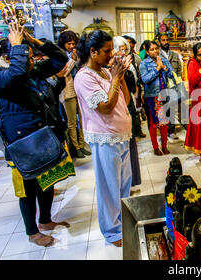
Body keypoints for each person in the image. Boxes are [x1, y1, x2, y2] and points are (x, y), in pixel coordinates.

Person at [0, 21, 74, 247]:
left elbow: (60, 60)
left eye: (30, 53)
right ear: (9, 57)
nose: (31, 59)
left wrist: (37, 42)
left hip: (42, 138)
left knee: (46, 182)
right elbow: (15, 75)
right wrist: (17, 45)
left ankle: (45, 221)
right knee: (27, 190)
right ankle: (32, 232)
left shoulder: (30, 71)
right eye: (26, 53)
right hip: (21, 144)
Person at [74, 30, 133, 247]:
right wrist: (116, 77)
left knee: (123, 185)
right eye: (107, 51)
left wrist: (121, 76)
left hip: (122, 136)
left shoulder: (106, 73)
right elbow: (106, 108)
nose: (111, 55)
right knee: (109, 187)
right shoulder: (84, 77)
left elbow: (124, 99)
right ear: (92, 51)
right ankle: (111, 231)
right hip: (105, 138)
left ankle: (123, 221)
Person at [113, 35, 142, 193]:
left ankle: (129, 184)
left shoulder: (128, 67)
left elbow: (131, 88)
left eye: (125, 50)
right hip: (117, 114)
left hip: (128, 106)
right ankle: (122, 186)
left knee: (129, 149)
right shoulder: (111, 69)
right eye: (120, 49)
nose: (123, 53)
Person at [57, 30, 90, 159]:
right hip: (68, 92)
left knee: (82, 120)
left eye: (73, 44)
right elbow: (63, 73)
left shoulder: (76, 54)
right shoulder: (60, 55)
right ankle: (75, 148)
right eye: (68, 44)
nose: (71, 46)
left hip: (79, 91)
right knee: (71, 122)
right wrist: (72, 60)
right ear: (63, 44)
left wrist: (77, 60)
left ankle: (82, 145)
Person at [139, 41, 174, 156]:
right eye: (152, 49)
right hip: (152, 96)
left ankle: (164, 146)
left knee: (164, 122)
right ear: (147, 52)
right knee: (154, 123)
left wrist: (164, 67)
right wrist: (157, 69)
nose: (155, 51)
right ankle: (155, 147)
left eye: (156, 49)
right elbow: (145, 79)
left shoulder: (163, 60)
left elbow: (171, 75)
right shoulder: (144, 64)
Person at [158, 33, 183, 140]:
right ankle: (163, 130)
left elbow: (179, 70)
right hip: (161, 86)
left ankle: (171, 131)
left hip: (173, 86)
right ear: (159, 42)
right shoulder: (157, 55)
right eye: (163, 40)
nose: (166, 42)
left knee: (172, 108)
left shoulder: (175, 55)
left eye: (167, 40)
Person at [123, 35, 146, 136]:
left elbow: (138, 72)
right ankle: (131, 132)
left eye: (130, 45)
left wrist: (139, 87)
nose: (129, 46)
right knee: (129, 111)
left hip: (136, 86)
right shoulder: (120, 58)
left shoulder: (135, 57)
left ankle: (138, 129)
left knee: (137, 109)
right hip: (126, 88)